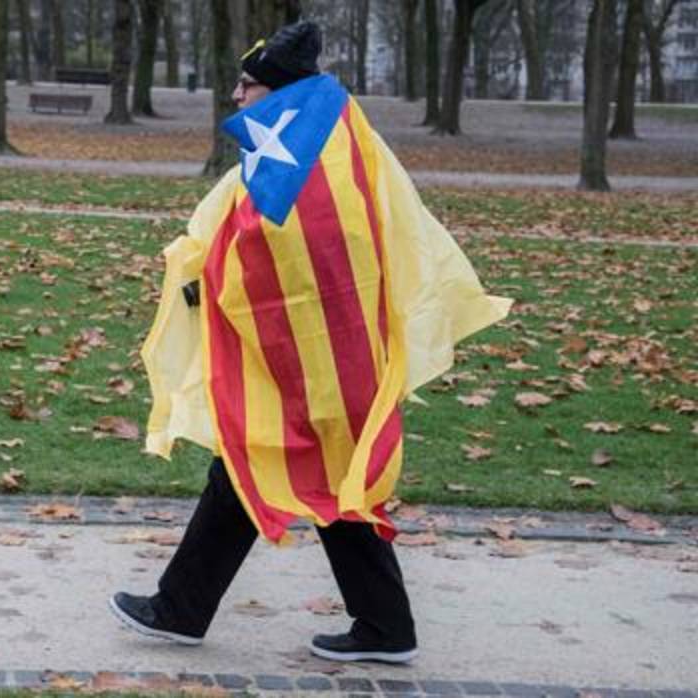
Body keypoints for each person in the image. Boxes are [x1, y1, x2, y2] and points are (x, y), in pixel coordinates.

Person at [109, 21, 512, 664]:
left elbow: (286, 249)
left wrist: (217, 282)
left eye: (248, 84)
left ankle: (194, 610)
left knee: (289, 468)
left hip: (316, 358)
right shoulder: (322, 142)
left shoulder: (305, 159)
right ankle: (358, 623)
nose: (237, 96)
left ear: (278, 91)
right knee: (286, 471)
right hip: (321, 357)